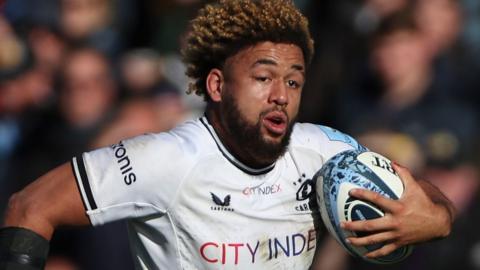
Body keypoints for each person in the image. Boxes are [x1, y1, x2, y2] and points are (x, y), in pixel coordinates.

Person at [0, 0, 454, 269]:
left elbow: (418, 190)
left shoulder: (324, 151)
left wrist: (436, 217)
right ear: (216, 86)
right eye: (263, 78)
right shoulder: (167, 158)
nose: (281, 95)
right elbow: (31, 206)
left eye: (293, 81)